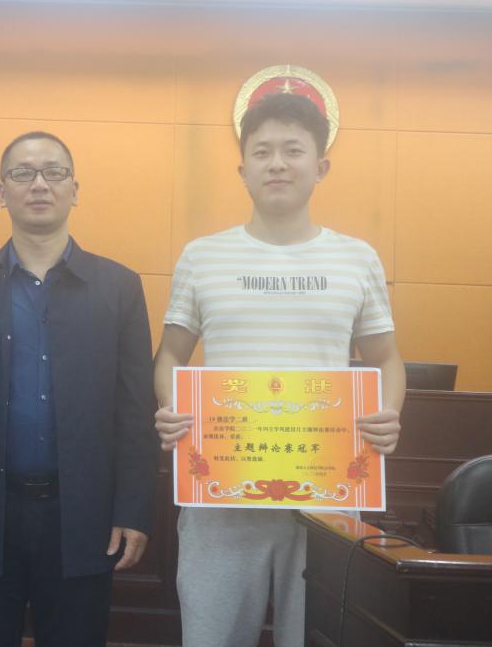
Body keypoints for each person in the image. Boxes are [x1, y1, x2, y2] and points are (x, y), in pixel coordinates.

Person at [153, 93, 405, 647]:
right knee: (211, 637)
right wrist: (172, 409)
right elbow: (170, 355)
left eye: (293, 150)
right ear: (242, 168)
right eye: (262, 151)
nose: (277, 164)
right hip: (220, 489)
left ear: (321, 166)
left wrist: (387, 414)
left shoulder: (357, 258)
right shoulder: (202, 256)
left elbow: (387, 358)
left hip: (326, 493)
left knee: (316, 636)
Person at [0, 131, 157, 647]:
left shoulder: (120, 287)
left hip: (83, 516)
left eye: (54, 172)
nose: (39, 184)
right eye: (23, 173)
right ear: (1, 192)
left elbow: (136, 413)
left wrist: (133, 511)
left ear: (76, 189)